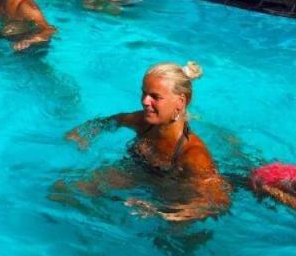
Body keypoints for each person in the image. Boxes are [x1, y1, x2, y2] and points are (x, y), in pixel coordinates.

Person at [64, 60, 230, 221]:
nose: (145, 101)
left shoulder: (194, 155)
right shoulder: (143, 123)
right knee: (64, 191)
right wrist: (85, 133)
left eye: (155, 97)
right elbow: (115, 120)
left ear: (180, 101)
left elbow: (218, 203)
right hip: (138, 173)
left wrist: (160, 212)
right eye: (144, 93)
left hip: (175, 196)